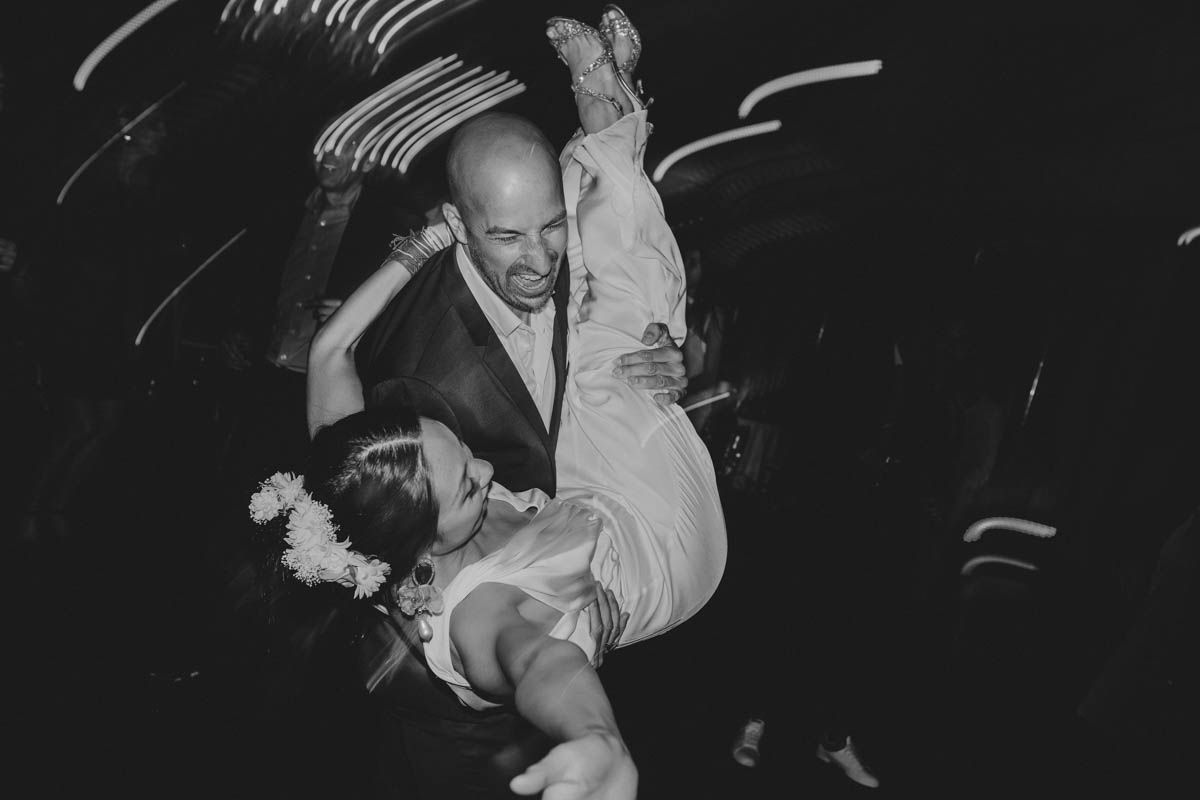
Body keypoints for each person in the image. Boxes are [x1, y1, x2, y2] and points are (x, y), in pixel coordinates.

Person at [274, 7, 726, 798]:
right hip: (651, 556)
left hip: (585, 491)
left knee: (614, 332)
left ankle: (610, 121)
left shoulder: (375, 468)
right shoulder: (479, 606)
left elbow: (327, 353)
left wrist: (419, 247)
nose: (540, 258)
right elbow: (540, 659)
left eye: (548, 228)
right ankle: (612, 115)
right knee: (609, 363)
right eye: (510, 237)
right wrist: (597, 740)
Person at [218, 130, 410, 494]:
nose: (329, 154)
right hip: (264, 376)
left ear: (368, 161)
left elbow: (410, 311)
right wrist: (237, 328)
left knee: (313, 500)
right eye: (325, 142)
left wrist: (362, 317)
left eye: (345, 144)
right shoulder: (282, 212)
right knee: (242, 490)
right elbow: (252, 281)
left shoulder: (391, 224)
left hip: (327, 390)